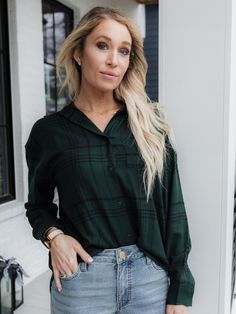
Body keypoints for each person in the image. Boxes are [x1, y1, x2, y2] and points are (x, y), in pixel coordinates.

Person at [24, 6, 195, 314]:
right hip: (82, 279)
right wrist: (54, 236)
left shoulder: (150, 125)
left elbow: (174, 211)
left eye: (124, 51)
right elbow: (38, 205)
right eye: (102, 45)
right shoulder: (50, 132)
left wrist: (179, 289)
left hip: (149, 280)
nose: (114, 60)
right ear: (78, 52)